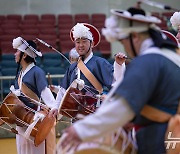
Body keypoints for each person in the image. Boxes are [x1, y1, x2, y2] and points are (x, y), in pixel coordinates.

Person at [58, 7, 180, 154]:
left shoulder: (147, 62)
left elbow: (122, 105)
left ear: (135, 36)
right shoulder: (171, 57)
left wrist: (81, 130)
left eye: (124, 41)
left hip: (159, 137)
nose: (125, 47)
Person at [55, 23, 126, 111]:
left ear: (92, 44)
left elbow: (115, 82)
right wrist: (55, 107)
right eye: (78, 42)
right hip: (75, 115)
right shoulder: (72, 67)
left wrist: (119, 65)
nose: (80, 45)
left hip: (94, 113)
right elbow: (63, 91)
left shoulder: (100, 62)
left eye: (84, 41)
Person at [12, 37, 58, 154]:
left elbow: (46, 95)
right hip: (21, 119)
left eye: (17, 51)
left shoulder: (37, 72)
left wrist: (53, 110)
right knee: (22, 150)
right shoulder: (20, 73)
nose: (15, 54)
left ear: (24, 55)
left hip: (34, 120)